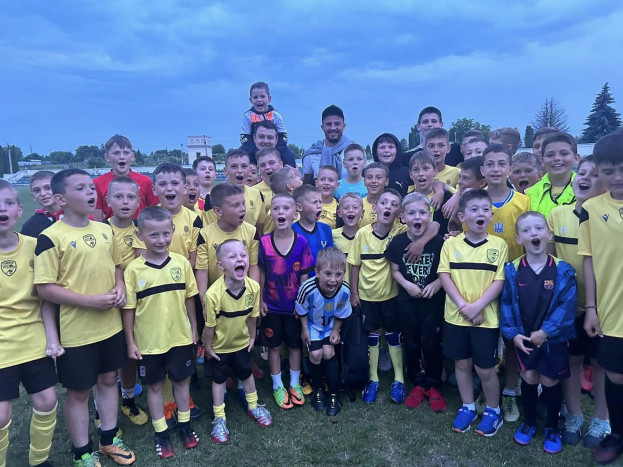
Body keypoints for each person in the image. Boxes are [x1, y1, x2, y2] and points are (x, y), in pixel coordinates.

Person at [34, 169, 135, 465]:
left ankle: (109, 439)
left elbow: (116, 266)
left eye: (91, 187)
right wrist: (91, 301)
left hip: (110, 325)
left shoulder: (104, 229)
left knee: (108, 379)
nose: (90, 192)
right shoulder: (50, 237)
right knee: (79, 392)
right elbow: (44, 288)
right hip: (76, 332)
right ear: (60, 199)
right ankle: (82, 453)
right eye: (80, 188)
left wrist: (119, 286)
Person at [122, 206, 200, 459]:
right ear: (140, 235)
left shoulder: (181, 263)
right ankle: (161, 432)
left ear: (173, 231)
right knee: (154, 386)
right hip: (149, 342)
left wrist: (194, 327)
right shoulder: (133, 270)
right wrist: (130, 342)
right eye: (153, 235)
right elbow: (129, 310)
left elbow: (189, 298)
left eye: (166, 233)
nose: (161, 240)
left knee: (181, 382)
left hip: (180, 337)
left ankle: (185, 425)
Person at [500, 211, 576, 454]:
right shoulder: (512, 270)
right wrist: (513, 334)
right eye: (526, 230)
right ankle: (530, 421)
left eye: (539, 228)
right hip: (525, 339)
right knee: (530, 377)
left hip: (552, 339)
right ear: (518, 238)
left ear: (548, 233)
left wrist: (546, 331)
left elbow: (567, 306)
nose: (534, 233)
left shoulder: (563, 270)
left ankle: (553, 427)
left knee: (550, 380)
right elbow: (506, 305)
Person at [547, 156, 610, 447]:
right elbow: (549, 261)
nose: (584, 178)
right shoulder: (557, 214)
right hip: (569, 306)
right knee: (571, 360)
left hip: (605, 306)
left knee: (600, 363)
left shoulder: (609, 218)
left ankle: (602, 419)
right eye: (581, 172)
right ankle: (574, 415)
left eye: (594, 174)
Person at [0, 180, 63, 467]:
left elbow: (46, 298)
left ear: (19, 210)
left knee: (47, 400)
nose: (2, 209)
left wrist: (52, 338)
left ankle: (39, 460)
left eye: (8, 203)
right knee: (1, 414)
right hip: (3, 346)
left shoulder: (35, 246)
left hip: (33, 337)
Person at [438, 189, 507, 437]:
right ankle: (467, 406)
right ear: (462, 216)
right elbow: (444, 275)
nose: (481, 214)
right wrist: (464, 307)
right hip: (456, 316)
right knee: (462, 363)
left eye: (486, 209)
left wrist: (477, 307)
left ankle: (493, 410)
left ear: (491, 216)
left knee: (485, 368)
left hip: (485, 319)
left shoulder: (499, 245)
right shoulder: (451, 244)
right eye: (474, 209)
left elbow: (499, 280)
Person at [578, 131, 623, 464]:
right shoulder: (591, 209)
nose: (617, 177)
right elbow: (589, 261)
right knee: (616, 375)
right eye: (608, 171)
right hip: (612, 310)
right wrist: (591, 308)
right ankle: (617, 434)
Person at [478, 144, 530, 422]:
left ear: (509, 169)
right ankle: (487, 386)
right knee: (485, 336)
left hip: (514, 280)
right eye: (490, 164)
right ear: (482, 169)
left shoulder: (523, 202)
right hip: (480, 281)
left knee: (511, 337)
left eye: (501, 164)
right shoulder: (474, 200)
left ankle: (510, 389)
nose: (496, 169)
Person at [204, 239, 273, 444]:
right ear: (220, 265)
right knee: (218, 380)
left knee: (246, 373)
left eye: (243, 255)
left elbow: (252, 317)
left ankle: (254, 405)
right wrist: (208, 348)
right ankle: (219, 418)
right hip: (219, 347)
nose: (239, 259)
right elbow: (210, 327)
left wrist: (252, 337)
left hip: (242, 343)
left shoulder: (253, 287)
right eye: (232, 256)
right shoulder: (213, 294)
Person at [385, 192, 446, 412]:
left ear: (429, 215)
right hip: (407, 302)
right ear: (402, 217)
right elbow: (394, 270)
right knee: (411, 342)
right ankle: (418, 384)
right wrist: (407, 285)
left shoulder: (439, 242)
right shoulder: (398, 242)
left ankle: (433, 384)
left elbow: (447, 270)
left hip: (432, 303)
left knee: (431, 342)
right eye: (411, 213)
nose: (417, 217)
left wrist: (437, 283)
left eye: (422, 212)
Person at [348, 188, 408, 404]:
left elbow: (431, 226)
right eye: (384, 203)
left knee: (393, 334)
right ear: (375, 208)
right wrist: (354, 293)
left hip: (391, 296)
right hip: (367, 296)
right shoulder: (363, 233)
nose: (388, 207)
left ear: (399, 212)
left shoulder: (401, 231)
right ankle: (373, 379)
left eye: (394, 204)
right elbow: (354, 265)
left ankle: (399, 380)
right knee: (372, 335)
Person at [259, 193, 315, 409]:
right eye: (276, 208)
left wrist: (301, 304)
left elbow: (304, 276)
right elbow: (261, 273)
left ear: (295, 213)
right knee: (273, 347)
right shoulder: (264, 242)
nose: (280, 212)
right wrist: (260, 300)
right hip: (271, 306)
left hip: (293, 308)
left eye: (285, 208)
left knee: (294, 345)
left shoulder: (301, 242)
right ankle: (277, 386)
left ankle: (294, 383)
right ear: (271, 214)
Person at [104, 176, 148, 427]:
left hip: (136, 303)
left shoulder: (141, 229)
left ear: (139, 201)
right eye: (118, 197)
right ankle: (101, 409)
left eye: (131, 197)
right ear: (108, 200)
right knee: (108, 363)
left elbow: (144, 263)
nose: (125, 202)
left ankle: (128, 399)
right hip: (109, 303)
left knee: (131, 353)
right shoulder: (100, 230)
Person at [296, 247, 352, 416]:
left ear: (343, 274)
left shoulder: (344, 291)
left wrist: (336, 330)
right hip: (312, 326)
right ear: (317, 272)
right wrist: (304, 329)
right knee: (315, 355)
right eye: (328, 274)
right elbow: (301, 309)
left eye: (338, 274)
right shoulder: (307, 288)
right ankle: (318, 390)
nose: (333, 280)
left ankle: (334, 394)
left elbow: (341, 312)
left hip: (330, 326)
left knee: (328, 352)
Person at [94, 134, 159, 221]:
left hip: (139, 228)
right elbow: (97, 219)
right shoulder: (97, 183)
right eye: (116, 153)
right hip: (111, 229)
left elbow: (155, 212)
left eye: (126, 153)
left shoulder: (145, 181)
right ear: (107, 157)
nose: (122, 157)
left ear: (132, 156)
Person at [203, 150, 267, 236]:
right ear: (225, 170)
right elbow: (209, 231)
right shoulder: (211, 197)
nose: (239, 170)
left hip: (249, 244)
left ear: (249, 170)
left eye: (244, 166)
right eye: (234, 166)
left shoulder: (257, 194)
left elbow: (260, 229)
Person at [239, 82, 296, 167]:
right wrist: (255, 151)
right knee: (239, 155)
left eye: (262, 96)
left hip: (274, 146)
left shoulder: (276, 115)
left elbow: (283, 135)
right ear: (250, 100)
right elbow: (244, 137)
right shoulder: (247, 116)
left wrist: (276, 151)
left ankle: (292, 172)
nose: (259, 100)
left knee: (288, 154)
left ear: (269, 99)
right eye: (255, 97)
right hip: (254, 147)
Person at [525, 132, 578, 217]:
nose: (557, 158)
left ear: (576, 158)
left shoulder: (589, 190)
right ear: (542, 160)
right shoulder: (529, 194)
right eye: (550, 155)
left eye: (564, 153)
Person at [303, 105, 351, 183]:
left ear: (343, 126)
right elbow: (307, 185)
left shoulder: (355, 152)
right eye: (329, 124)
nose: (333, 128)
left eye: (337, 124)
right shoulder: (311, 155)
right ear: (322, 127)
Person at [408, 152, 453, 235]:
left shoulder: (446, 197)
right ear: (411, 174)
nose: (421, 173)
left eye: (426, 169)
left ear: (435, 171)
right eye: (416, 170)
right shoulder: (407, 200)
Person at [292, 185, 333, 262]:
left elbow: (330, 257)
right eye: (314, 202)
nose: (319, 206)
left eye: (320, 202)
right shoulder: (291, 231)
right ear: (299, 207)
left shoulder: (326, 229)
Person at [20, 170, 63, 238]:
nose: (43, 193)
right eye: (37, 190)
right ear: (33, 197)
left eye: (48, 188)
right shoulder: (30, 226)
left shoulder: (78, 216)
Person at [332, 193, 363, 283]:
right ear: (339, 213)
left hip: (361, 288)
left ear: (362, 212)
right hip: (337, 286)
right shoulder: (332, 235)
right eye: (346, 208)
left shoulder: (366, 235)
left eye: (355, 207)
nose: (350, 211)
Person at [361, 163, 390, 227]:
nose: (373, 181)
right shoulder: (358, 205)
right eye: (369, 177)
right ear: (364, 181)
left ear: (386, 181)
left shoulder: (392, 206)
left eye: (378, 177)